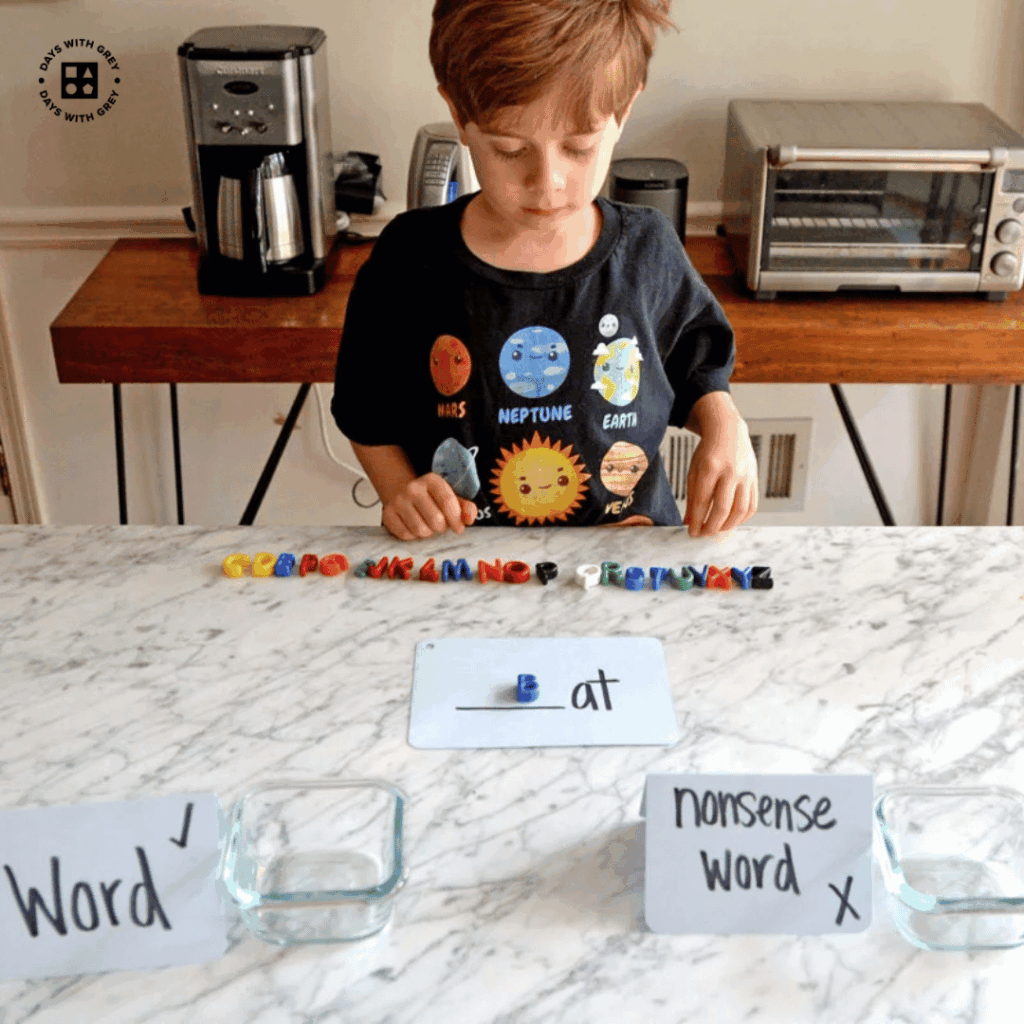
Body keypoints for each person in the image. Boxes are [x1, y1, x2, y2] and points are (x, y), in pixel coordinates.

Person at [332, 0, 758, 541]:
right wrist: (400, 492)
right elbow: (366, 410)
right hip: (465, 567)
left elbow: (697, 370)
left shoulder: (648, 249)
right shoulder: (408, 257)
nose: (548, 182)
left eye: (579, 148)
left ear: (624, 111)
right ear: (459, 116)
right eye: (510, 150)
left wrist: (727, 428)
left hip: (626, 561)